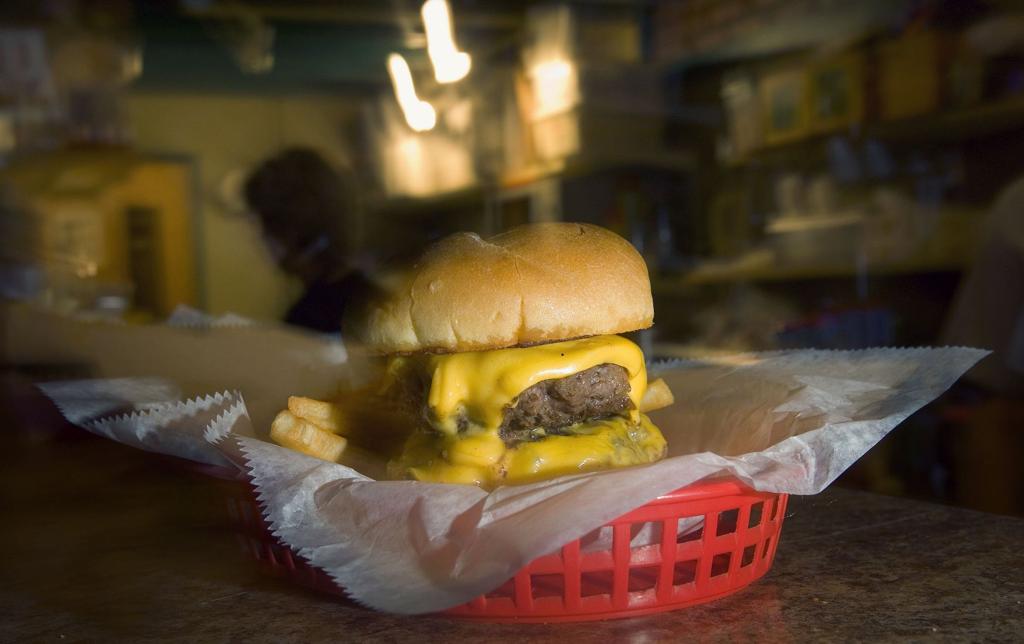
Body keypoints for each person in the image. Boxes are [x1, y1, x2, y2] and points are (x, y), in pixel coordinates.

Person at [244, 147, 370, 334]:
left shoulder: (307, 320)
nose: (260, 238)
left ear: (291, 230)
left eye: (264, 225)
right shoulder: (373, 297)